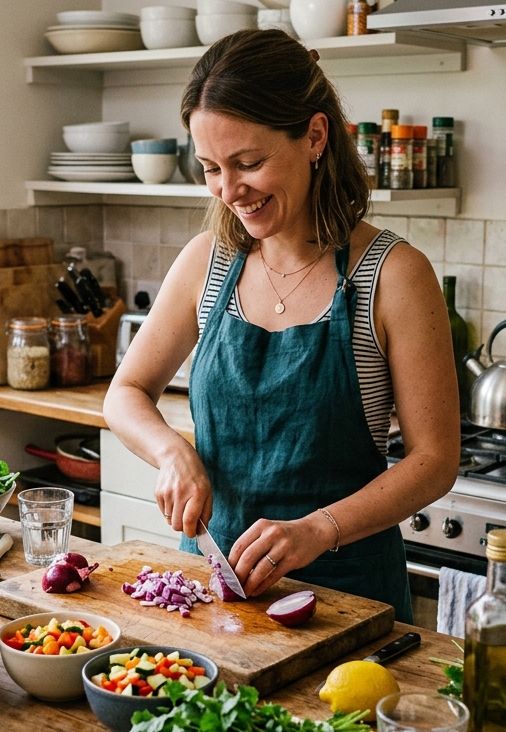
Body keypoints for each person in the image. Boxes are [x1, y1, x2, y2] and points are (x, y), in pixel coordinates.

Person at [102, 29, 459, 623]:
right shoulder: (207, 262)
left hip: (349, 602)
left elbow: (436, 459)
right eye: (211, 168)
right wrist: (172, 452)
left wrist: (320, 530)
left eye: (249, 163)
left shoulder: (393, 276)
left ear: (315, 136)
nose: (229, 191)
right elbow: (126, 393)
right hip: (210, 594)